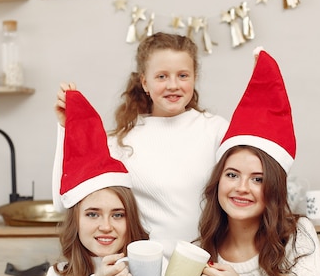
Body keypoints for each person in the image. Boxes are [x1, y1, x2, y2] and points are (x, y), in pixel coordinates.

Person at [25, 90, 208, 276]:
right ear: (75, 221)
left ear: (129, 219)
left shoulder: (154, 270)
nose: (106, 227)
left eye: (118, 215)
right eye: (92, 214)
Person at [194, 48, 320, 276]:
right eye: (232, 174)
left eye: (257, 179)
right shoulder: (203, 249)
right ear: (218, 180)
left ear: (273, 188)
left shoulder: (297, 236)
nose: (241, 187)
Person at [53, 32, 229, 259]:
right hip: (146, 273)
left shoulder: (216, 131)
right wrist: (66, 129)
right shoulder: (121, 142)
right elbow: (62, 202)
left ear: (194, 78)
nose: (173, 85)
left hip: (207, 267)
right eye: (162, 76)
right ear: (145, 82)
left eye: (183, 75)